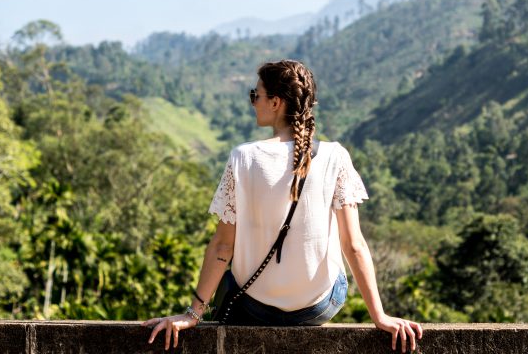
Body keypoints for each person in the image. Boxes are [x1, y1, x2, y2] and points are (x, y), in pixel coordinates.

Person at [142, 60, 423, 352]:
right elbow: (353, 245)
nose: (253, 102)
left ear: (275, 102)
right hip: (317, 308)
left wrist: (192, 315)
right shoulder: (335, 156)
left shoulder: (243, 157)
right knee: (335, 265)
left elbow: (223, 248)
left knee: (232, 275)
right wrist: (380, 316)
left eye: (256, 95)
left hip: (255, 307)